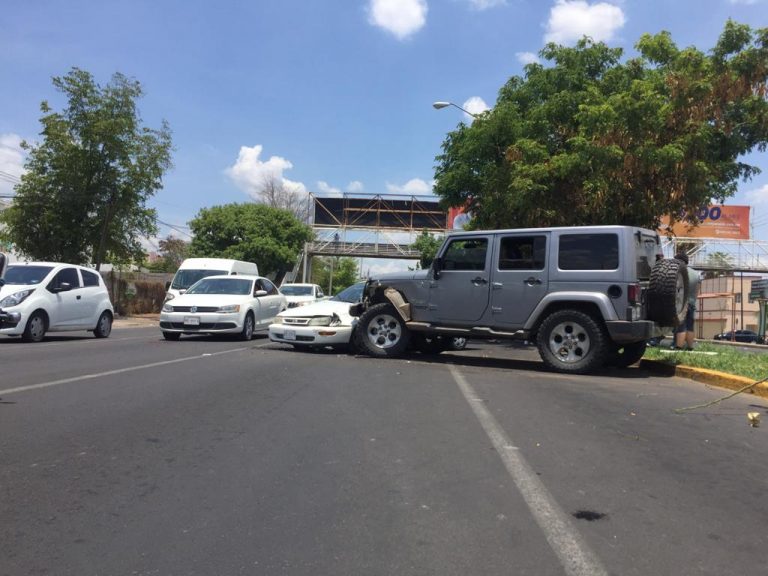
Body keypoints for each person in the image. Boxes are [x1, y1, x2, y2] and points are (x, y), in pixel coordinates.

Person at [674, 251, 701, 350]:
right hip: (692, 302)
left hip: (681, 304)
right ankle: (690, 347)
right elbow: (697, 290)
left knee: (681, 326)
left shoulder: (678, 272)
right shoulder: (696, 274)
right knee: (690, 326)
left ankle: (679, 347)